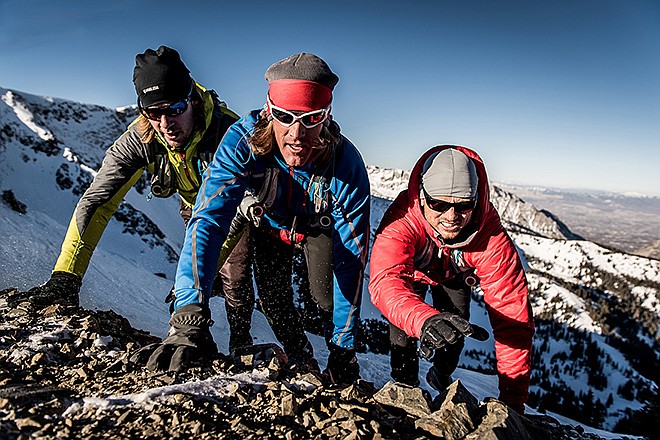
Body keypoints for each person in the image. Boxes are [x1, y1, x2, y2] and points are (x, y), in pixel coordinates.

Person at [142, 53, 371, 383]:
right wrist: (188, 312)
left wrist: (343, 350)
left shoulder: (345, 164)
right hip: (271, 224)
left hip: (318, 228)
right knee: (273, 296)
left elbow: (351, 261)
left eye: (310, 118)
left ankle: (331, 353)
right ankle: (301, 359)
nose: (296, 133)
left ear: (326, 117)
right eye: (284, 116)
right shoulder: (242, 141)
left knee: (326, 297)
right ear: (268, 112)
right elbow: (208, 218)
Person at [13, 46, 250, 347]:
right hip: (194, 205)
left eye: (175, 108)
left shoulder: (228, 133)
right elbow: (97, 202)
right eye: (153, 112)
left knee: (235, 272)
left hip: (241, 205)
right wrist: (66, 277)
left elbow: (233, 213)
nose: (166, 124)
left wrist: (195, 280)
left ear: (193, 99)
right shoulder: (140, 139)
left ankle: (242, 343)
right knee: (200, 275)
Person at [369, 146, 534, 413]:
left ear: (476, 200)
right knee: (402, 334)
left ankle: (441, 374)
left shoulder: (489, 234)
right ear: (422, 197)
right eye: (438, 204)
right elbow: (386, 281)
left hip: (454, 275)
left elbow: (512, 317)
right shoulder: (402, 219)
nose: (451, 217)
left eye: (463, 206)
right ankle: (405, 390)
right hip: (413, 275)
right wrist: (423, 320)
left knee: (455, 333)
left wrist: (514, 404)